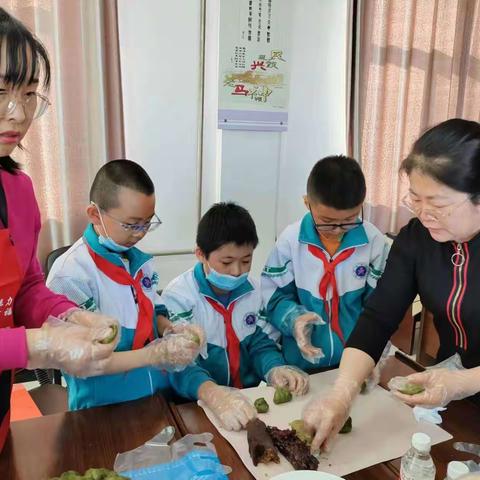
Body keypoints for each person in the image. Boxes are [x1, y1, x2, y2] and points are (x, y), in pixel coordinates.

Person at [303, 119, 480, 453]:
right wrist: (342, 392)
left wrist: (464, 382)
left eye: (438, 204)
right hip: (458, 401)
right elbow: (378, 317)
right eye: (415, 199)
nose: (425, 214)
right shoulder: (417, 239)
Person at [0, 7, 120, 451]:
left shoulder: (17, 188)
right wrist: (39, 345)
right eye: (0, 91)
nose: (18, 113)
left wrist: (70, 315)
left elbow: (27, 284)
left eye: (30, 94)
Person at [46, 160, 209, 410]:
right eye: (132, 224)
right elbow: (85, 357)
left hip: (156, 396)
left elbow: (153, 310)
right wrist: (154, 355)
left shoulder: (138, 262)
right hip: (103, 407)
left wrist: (170, 332)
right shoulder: (70, 275)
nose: (140, 233)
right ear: (94, 214)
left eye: (148, 223)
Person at [161, 202, 309, 398]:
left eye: (246, 261)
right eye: (227, 262)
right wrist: (211, 393)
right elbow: (179, 364)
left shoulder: (256, 292)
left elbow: (261, 344)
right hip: (195, 400)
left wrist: (275, 369)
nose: (237, 271)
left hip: (247, 396)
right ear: (201, 254)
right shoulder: (179, 297)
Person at [262, 155, 389, 372]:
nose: (338, 230)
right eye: (327, 222)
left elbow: (379, 306)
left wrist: (373, 352)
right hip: (301, 361)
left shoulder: (374, 242)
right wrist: (294, 320)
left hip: (354, 360)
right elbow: (273, 296)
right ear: (307, 203)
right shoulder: (291, 241)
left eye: (349, 219)